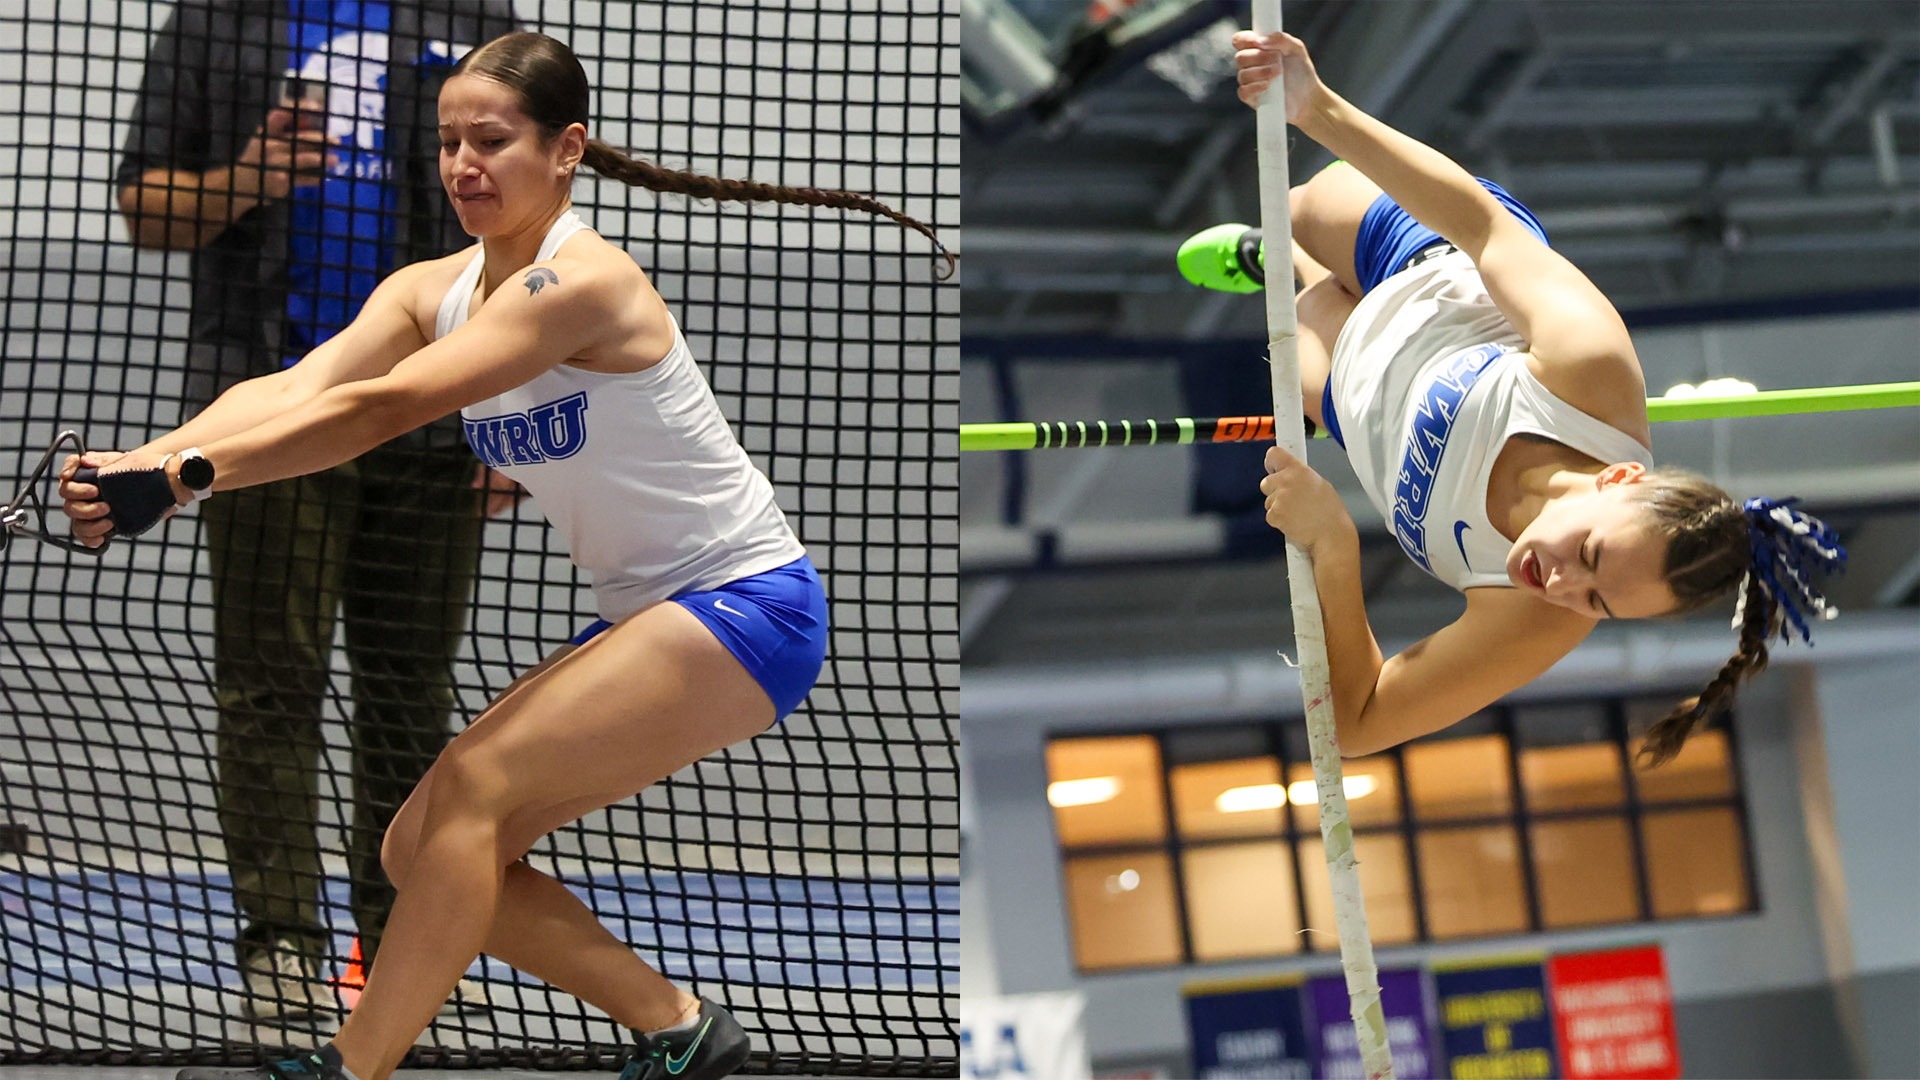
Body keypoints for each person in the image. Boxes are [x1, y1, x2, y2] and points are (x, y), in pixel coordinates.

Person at [69, 29, 942, 1080]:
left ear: (566, 150)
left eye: (493, 140)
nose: (463, 165)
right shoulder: (431, 286)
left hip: (745, 604)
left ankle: (352, 1068)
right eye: (447, 143)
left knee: (472, 794)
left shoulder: (583, 283)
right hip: (652, 613)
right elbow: (297, 387)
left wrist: (181, 483)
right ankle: (678, 1027)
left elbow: (381, 406)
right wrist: (146, 457)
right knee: (419, 845)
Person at [1179, 30, 1842, 767]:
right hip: (1422, 266)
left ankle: (1278, 265)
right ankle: (1288, 243)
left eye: (1596, 602)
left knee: (1299, 319)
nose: (1560, 584)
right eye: (1587, 552)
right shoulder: (1590, 371)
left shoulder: (1540, 623)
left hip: (1357, 395)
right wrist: (1318, 108)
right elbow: (1479, 226)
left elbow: (1361, 727)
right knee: (1300, 205)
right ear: (1618, 478)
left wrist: (1333, 545)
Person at [115, 1, 521, 1020]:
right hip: (270, 419)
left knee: (412, 702)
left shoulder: (472, 17)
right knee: (271, 684)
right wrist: (249, 178)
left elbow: (520, 230)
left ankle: (400, 949)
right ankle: (284, 949)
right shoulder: (221, 19)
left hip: (432, 425)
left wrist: (508, 410)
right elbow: (143, 206)